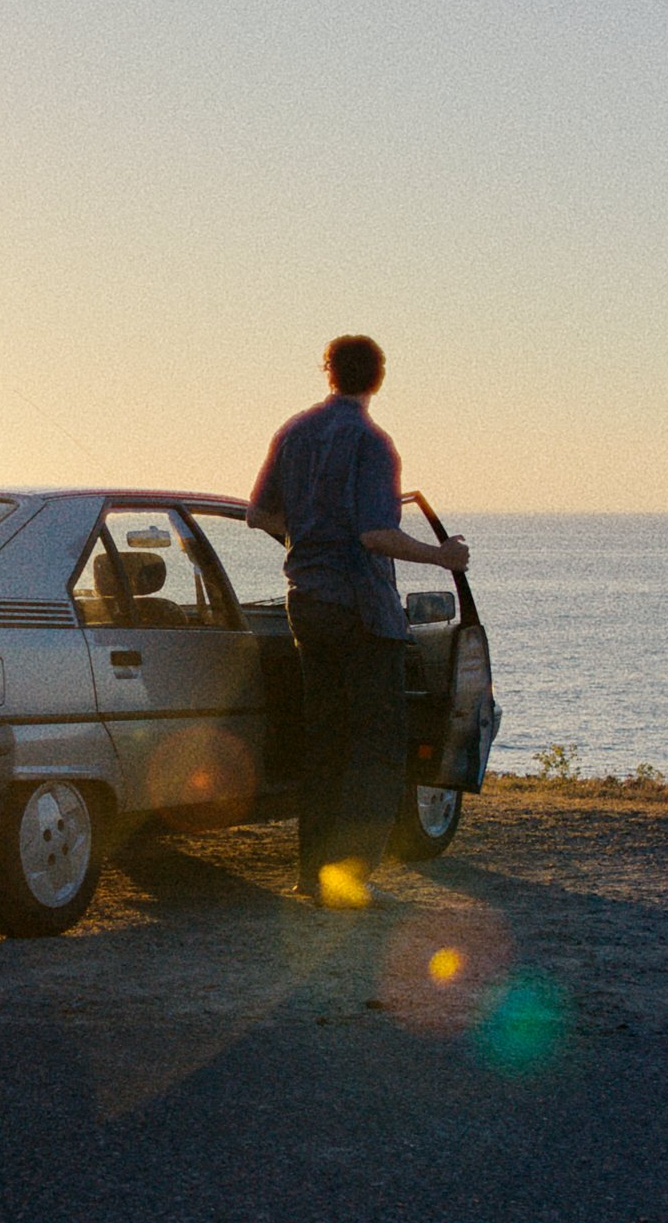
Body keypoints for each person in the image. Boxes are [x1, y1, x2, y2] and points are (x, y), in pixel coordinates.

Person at [248, 335, 469, 908]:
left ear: (328, 373)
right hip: (361, 609)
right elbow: (375, 534)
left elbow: (259, 513)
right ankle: (348, 878)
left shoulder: (293, 433)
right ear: (379, 377)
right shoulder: (373, 443)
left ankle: (309, 873)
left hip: (308, 602)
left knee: (324, 742)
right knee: (375, 748)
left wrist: (304, 542)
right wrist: (441, 557)